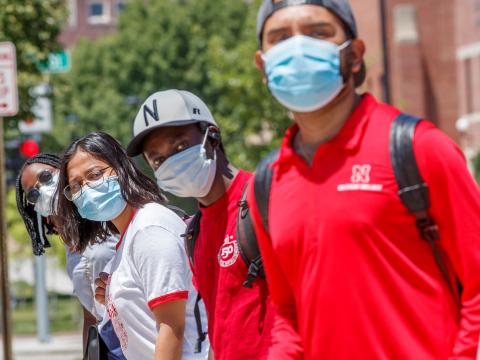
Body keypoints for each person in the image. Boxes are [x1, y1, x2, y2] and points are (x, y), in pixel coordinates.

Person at [249, 0, 480, 359]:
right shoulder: (266, 184)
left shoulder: (419, 148)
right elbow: (287, 312)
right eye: (279, 38)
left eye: (317, 33)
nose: (296, 48)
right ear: (263, 66)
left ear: (354, 55)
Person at [126, 89, 275, 359]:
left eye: (180, 146)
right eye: (158, 159)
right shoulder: (194, 232)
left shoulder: (263, 200)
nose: (170, 161)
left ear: (212, 136)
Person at [56, 132, 208, 360]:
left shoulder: (149, 229)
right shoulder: (129, 236)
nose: (86, 188)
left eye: (95, 174)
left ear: (121, 168)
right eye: (76, 186)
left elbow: (171, 328)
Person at [15, 153, 125, 359]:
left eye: (46, 177)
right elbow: (91, 314)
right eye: (33, 194)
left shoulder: (106, 216)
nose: (42, 189)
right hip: (111, 347)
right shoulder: (69, 244)